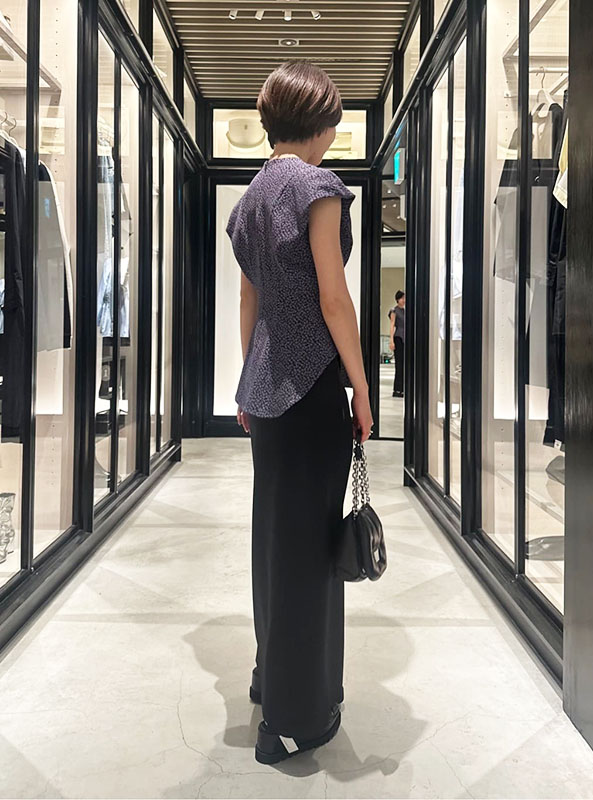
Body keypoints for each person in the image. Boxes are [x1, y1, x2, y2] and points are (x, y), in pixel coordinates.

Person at [226, 60, 373, 765]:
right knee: (311, 550)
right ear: (321, 123)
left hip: (268, 394)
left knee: (276, 542)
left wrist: (247, 382)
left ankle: (274, 681)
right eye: (334, 121)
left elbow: (249, 302)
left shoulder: (250, 199)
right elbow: (333, 300)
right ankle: (293, 718)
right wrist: (362, 388)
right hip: (312, 391)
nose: (335, 133)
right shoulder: (319, 187)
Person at [389, 290, 406, 397]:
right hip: (398, 338)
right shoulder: (394, 311)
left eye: (404, 298)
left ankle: (402, 388)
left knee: (404, 365)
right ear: (397, 299)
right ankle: (397, 390)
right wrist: (391, 340)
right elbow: (392, 325)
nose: (404, 300)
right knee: (399, 365)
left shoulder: (404, 311)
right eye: (402, 298)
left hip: (404, 339)